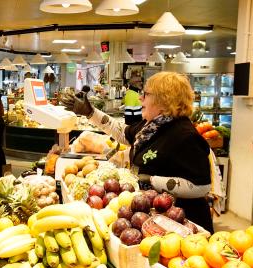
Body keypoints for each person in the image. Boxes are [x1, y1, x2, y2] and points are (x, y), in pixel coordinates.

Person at [61, 71, 213, 232]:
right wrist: (90, 112)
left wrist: (152, 180)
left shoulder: (185, 135)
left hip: (184, 224)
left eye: (146, 94)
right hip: (157, 217)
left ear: (164, 100)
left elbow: (201, 186)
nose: (140, 98)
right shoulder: (152, 126)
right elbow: (123, 133)